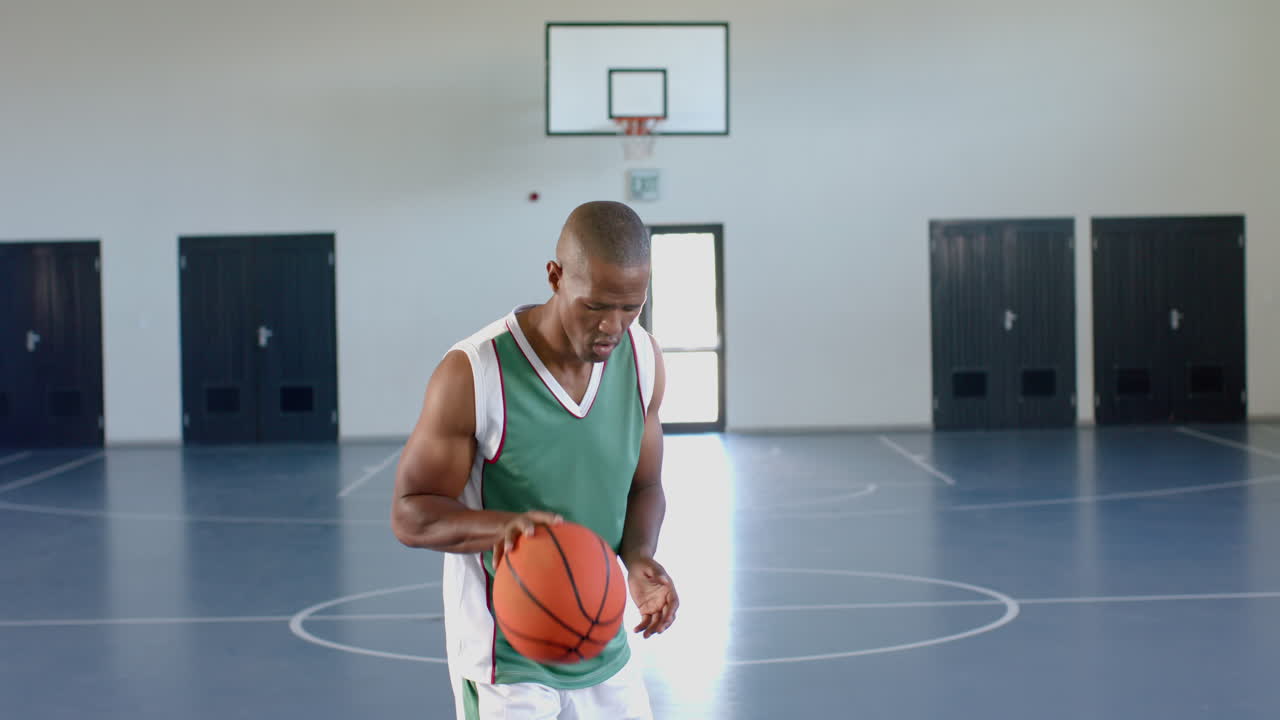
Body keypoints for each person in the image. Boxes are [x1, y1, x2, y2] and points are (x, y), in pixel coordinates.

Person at [391, 200, 679, 720]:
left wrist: (637, 558)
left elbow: (645, 486)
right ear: (555, 276)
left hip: (599, 633)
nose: (613, 326)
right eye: (595, 306)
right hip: (506, 658)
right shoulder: (475, 373)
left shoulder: (642, 360)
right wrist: (507, 528)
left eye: (630, 307)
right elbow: (410, 512)